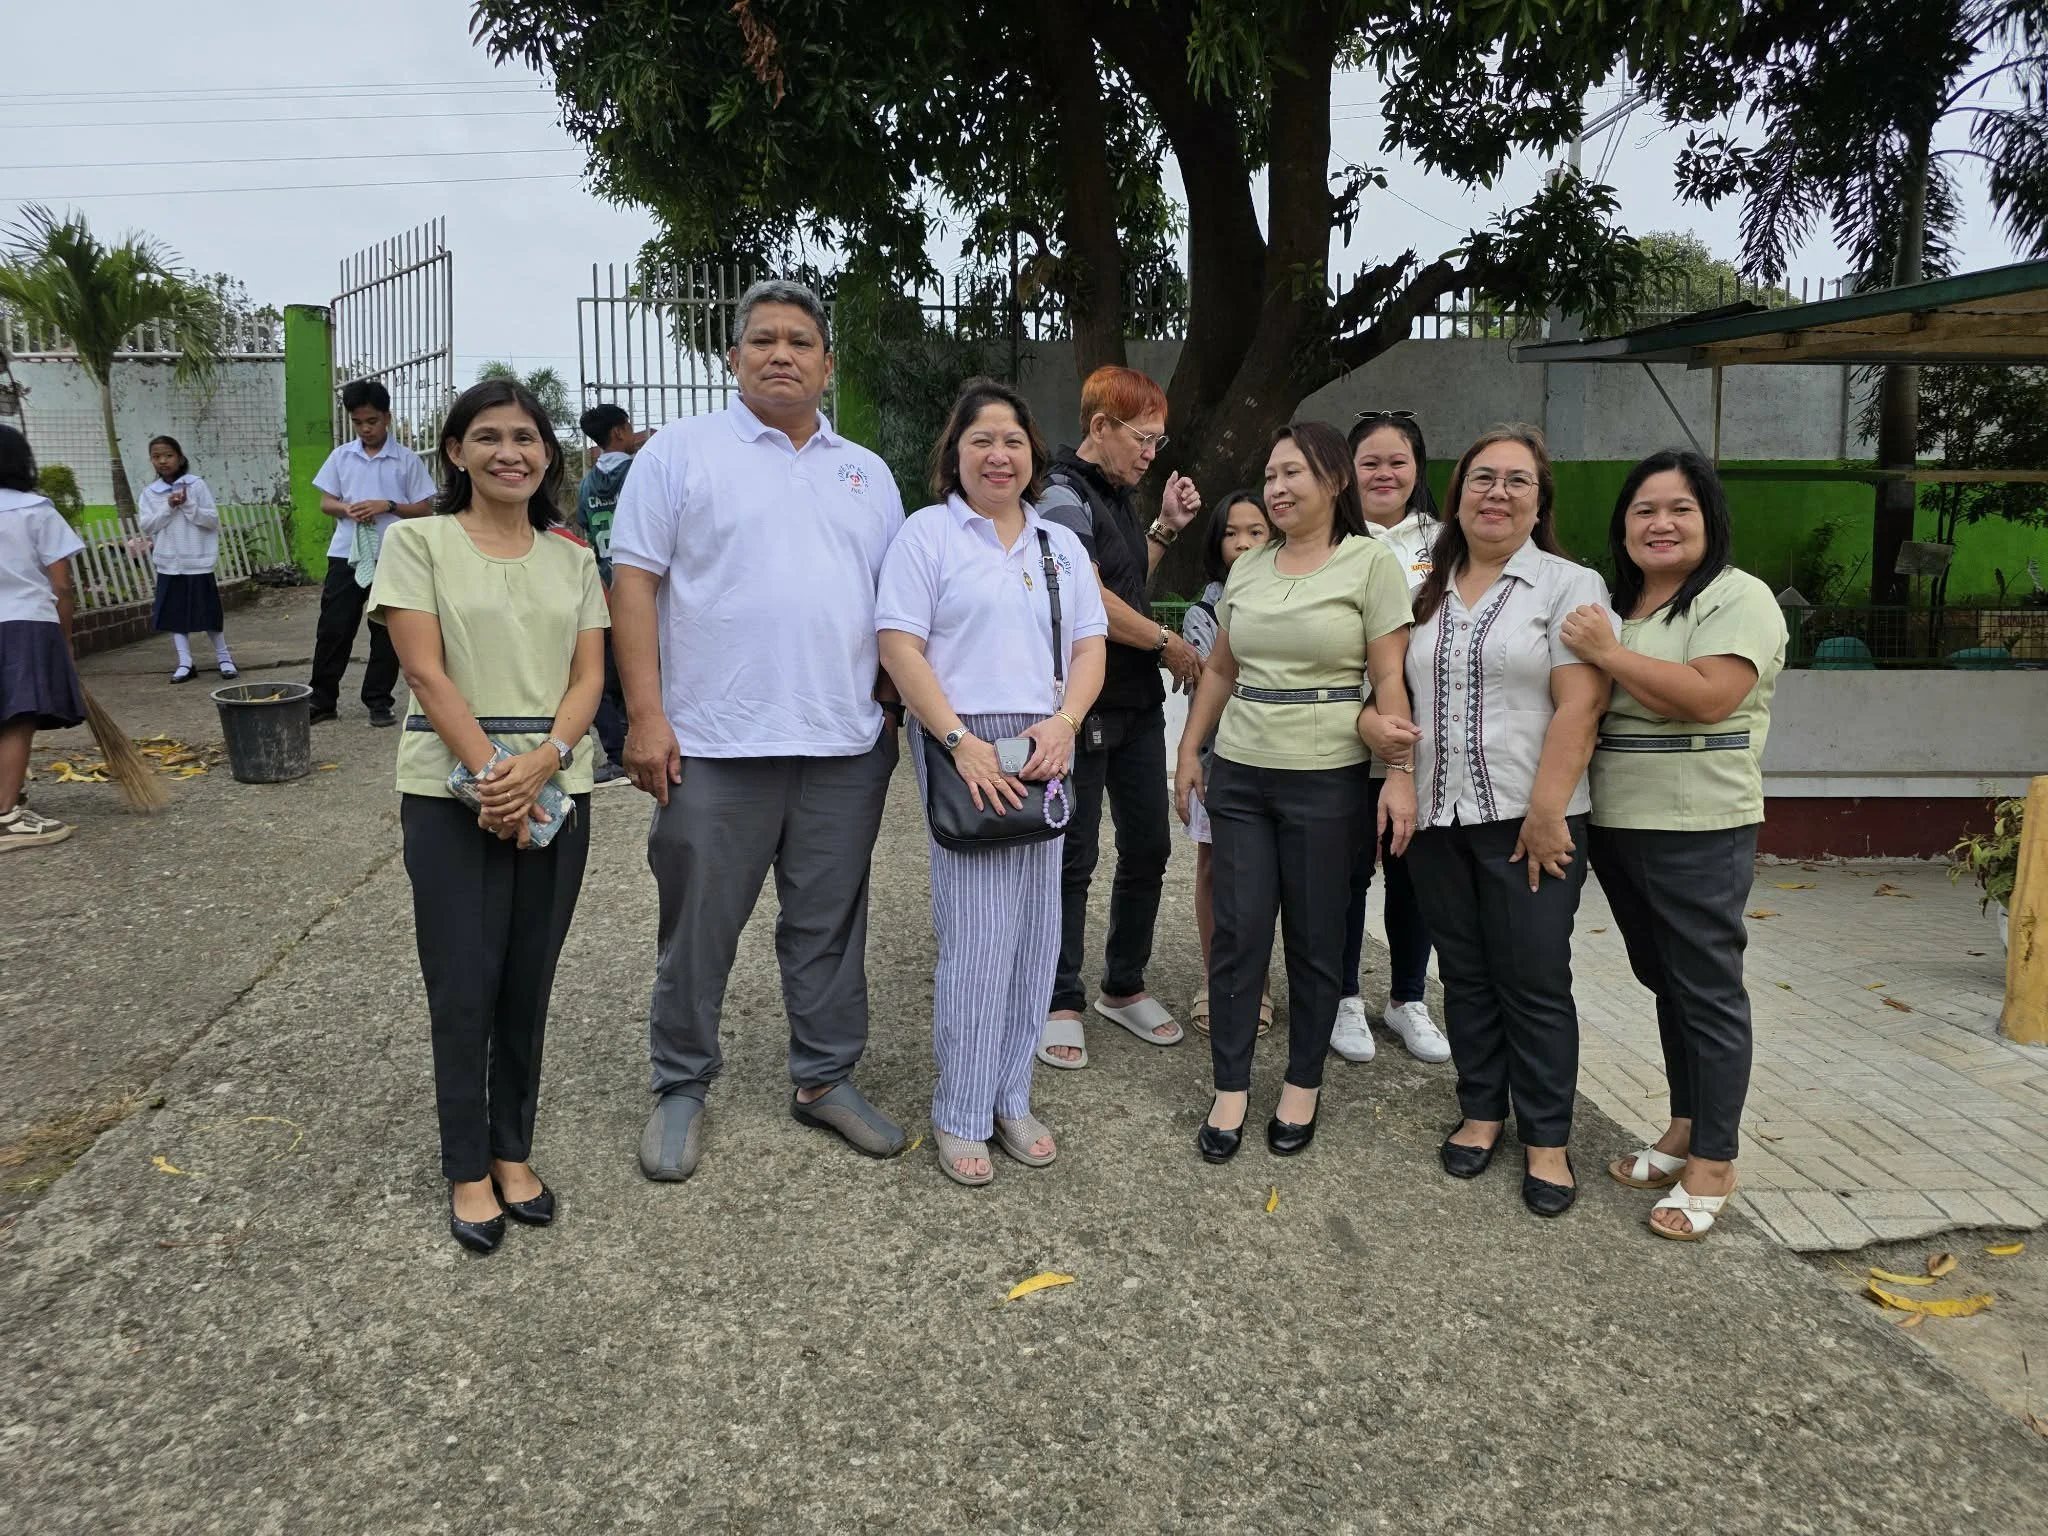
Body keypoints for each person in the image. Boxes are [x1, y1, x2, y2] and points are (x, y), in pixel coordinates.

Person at [611, 277, 907, 1182]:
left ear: (826, 364)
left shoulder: (867, 471)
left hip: (843, 745)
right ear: (734, 357)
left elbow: (900, 603)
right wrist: (648, 717)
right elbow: (632, 583)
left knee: (827, 924)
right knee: (699, 924)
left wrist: (896, 704)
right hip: (712, 744)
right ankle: (680, 1083)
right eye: (763, 339)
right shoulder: (679, 456)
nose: (782, 353)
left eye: (801, 341)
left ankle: (823, 1079)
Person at [367, 378, 609, 1254]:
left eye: (527, 438)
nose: (510, 452)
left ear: (549, 455)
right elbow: (425, 673)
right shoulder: (418, 543)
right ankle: (466, 1166)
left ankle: (514, 1149)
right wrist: (494, 777)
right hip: (448, 792)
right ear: (456, 452)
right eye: (489, 437)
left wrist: (543, 765)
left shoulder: (572, 558)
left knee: (526, 981)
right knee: (462, 982)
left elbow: (589, 678)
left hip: (555, 789)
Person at [877, 380, 1108, 1186]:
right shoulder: (928, 536)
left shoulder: (1059, 546)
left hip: (1045, 744)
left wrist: (1067, 725)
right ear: (955, 453)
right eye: (981, 440)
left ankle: (1013, 1095)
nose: (998, 454)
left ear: (1032, 456)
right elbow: (900, 645)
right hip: (962, 741)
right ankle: (962, 1111)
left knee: (1037, 935)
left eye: (1012, 439)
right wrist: (959, 742)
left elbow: (1088, 648)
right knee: (976, 940)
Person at [1559, 449, 1787, 1241]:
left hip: (1699, 825)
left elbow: (1709, 696)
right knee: (1667, 983)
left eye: (1679, 509)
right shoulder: (1626, 606)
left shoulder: (1735, 598)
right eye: (1644, 510)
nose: (1660, 523)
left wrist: (1608, 653)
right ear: (1622, 527)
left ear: (1709, 518)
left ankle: (1715, 1161)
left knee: (1709, 990)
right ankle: (1685, 1126)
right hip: (1622, 824)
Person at [1174, 421, 1415, 1164]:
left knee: (1314, 938)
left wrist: (1400, 775)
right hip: (1241, 772)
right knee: (1239, 933)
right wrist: (1190, 748)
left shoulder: (1370, 565)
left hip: (1328, 780)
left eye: (1293, 475)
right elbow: (1220, 668)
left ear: (1335, 480)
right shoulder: (1250, 568)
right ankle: (1231, 1087)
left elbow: (1388, 678)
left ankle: (1302, 1084)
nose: (1277, 489)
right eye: (1270, 475)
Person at [1389, 424, 1614, 1218]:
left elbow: (1581, 703)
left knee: (1536, 978)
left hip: (1532, 819)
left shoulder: (1568, 583)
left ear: (1540, 499)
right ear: (1458, 495)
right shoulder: (1423, 581)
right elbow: (1390, 688)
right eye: (1483, 478)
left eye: (1518, 481)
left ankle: (1547, 1138)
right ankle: (1483, 1111)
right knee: (1469, 975)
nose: (1498, 493)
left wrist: (1550, 811)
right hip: (1438, 819)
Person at [1035, 366, 1201, 1068]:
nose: (1151, 453)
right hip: (1083, 704)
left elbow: (1126, 581)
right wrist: (1168, 643)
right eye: (1143, 437)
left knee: (1151, 848)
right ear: (1099, 427)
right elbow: (1089, 600)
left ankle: (1123, 985)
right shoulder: (1062, 494)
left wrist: (1163, 527)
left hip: (1134, 704)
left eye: (1160, 441)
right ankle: (1059, 997)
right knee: (1074, 856)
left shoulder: (1117, 497)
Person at [1333, 411, 1450, 1065]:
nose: (1383, 473)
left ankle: (1407, 998)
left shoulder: (1447, 542)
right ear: (1346, 472)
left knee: (1414, 873)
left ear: (1417, 470)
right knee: (1349, 871)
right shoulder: (1328, 539)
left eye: (1396, 461)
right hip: (1347, 736)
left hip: (1418, 739)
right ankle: (1345, 995)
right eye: (1369, 462)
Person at [1178, 487, 1274, 1039]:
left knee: (1264, 877)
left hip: (1280, 761)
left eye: (1255, 532)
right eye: (1231, 533)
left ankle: (1258, 982)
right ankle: (1218, 979)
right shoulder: (1203, 612)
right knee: (1215, 870)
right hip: (1220, 763)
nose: (1242, 543)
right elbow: (1217, 691)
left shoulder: (1291, 596)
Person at [308, 380, 438, 726]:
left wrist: (388, 505)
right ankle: (322, 700)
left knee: (387, 633)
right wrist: (346, 509)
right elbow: (326, 502)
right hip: (346, 555)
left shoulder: (405, 461)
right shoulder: (341, 457)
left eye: (372, 421)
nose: (365, 429)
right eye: (358, 422)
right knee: (334, 629)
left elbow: (424, 508)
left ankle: (378, 701)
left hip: (393, 556)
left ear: (387, 418)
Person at [0, 425, 86, 852]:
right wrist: (66, 639)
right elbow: (62, 585)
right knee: (18, 717)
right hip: (26, 622)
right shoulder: (35, 510)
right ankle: (6, 818)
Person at [575, 402, 649, 784]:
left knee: (612, 670)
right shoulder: (642, 473)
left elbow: (586, 534)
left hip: (607, 583)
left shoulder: (588, 484)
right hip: (646, 586)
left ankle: (618, 750)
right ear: (619, 431)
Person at [138, 435, 235, 684]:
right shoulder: (150, 493)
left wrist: (188, 505)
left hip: (198, 560)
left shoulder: (196, 485)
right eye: (157, 457)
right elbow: (148, 525)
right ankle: (185, 662)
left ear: (180, 458)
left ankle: (224, 658)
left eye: (168, 455)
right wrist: (169, 506)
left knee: (209, 613)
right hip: (169, 563)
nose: (163, 461)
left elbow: (211, 520)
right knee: (175, 615)